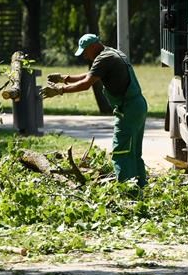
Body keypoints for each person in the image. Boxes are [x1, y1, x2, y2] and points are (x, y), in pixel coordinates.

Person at [40, 34, 147, 187]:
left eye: (85, 51)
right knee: (134, 152)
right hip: (137, 106)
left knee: (121, 152)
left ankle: (129, 192)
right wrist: (65, 78)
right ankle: (141, 187)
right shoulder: (111, 53)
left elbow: (86, 84)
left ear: (93, 46)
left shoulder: (104, 58)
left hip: (128, 109)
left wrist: (60, 90)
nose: (85, 56)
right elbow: (91, 74)